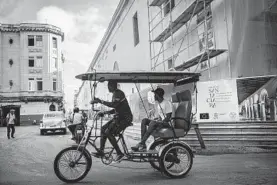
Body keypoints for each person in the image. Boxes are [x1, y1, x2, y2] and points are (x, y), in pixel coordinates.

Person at [90, 80, 133, 162]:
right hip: (119, 117)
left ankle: (119, 153)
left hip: (125, 118)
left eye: (108, 86)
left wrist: (100, 101)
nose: (108, 88)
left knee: (109, 132)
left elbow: (114, 105)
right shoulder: (115, 94)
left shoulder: (118, 93)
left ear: (112, 86)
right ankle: (101, 151)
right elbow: (116, 108)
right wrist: (105, 112)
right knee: (103, 129)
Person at [131, 87, 173, 151]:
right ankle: (143, 144)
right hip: (161, 122)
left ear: (157, 95)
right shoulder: (159, 104)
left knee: (153, 123)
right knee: (144, 120)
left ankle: (141, 143)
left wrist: (159, 122)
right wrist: (157, 119)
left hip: (167, 124)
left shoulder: (167, 103)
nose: (154, 96)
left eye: (155, 95)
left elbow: (168, 117)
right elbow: (161, 116)